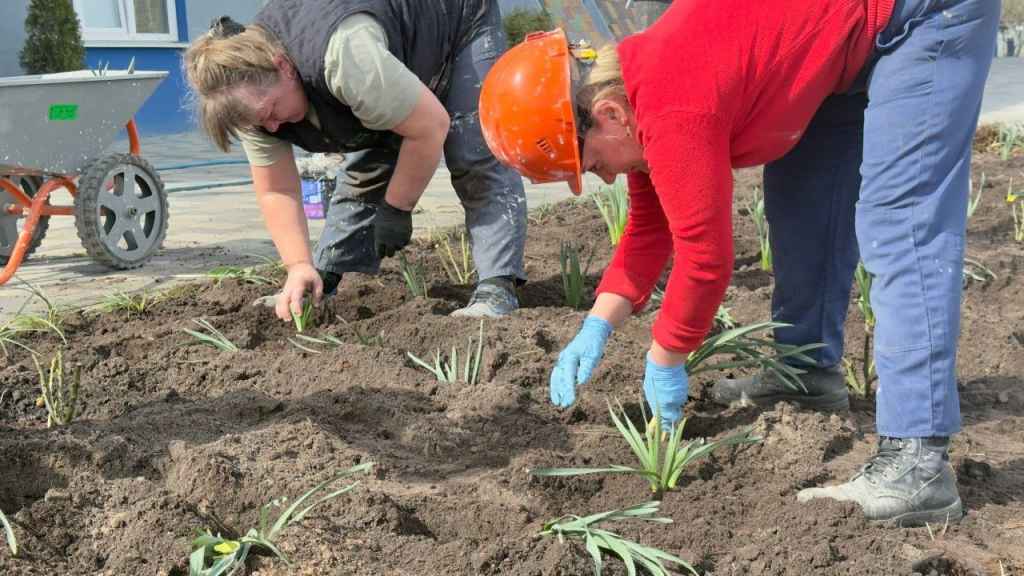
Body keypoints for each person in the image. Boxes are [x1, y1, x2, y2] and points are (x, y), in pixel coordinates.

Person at [478, 0, 999, 526]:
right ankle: (806, 373)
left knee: (900, 220)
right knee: (803, 207)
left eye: (592, 164)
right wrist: (595, 326)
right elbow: (648, 230)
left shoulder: (671, 101)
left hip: (921, 13)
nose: (605, 177)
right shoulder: (634, 94)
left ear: (607, 116)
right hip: (839, 41)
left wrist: (665, 357)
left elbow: (705, 256)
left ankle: (917, 463)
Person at [184, 0, 527, 320]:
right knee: (369, 155)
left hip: (456, 18)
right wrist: (297, 264)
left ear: (283, 66)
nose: (272, 126)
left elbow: (430, 126)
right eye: (260, 123)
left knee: (474, 149)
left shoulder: (344, 56)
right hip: (385, 53)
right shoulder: (246, 101)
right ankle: (321, 277)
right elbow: (277, 190)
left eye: (271, 111)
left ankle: (497, 287)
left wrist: (397, 207)